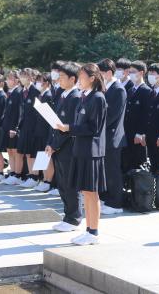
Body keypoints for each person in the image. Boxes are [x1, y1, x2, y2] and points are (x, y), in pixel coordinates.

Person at [55, 63, 108, 246]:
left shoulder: (98, 98)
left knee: (91, 193)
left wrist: (69, 128)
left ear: (92, 78)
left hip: (91, 152)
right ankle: (89, 230)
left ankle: (93, 232)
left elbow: (94, 128)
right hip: (81, 150)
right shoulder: (85, 97)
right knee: (86, 192)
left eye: (82, 76)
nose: (79, 80)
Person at [47, 62, 83, 232]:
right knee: (62, 183)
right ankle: (67, 215)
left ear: (73, 79)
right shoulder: (63, 94)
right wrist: (50, 144)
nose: (59, 80)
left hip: (68, 147)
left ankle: (74, 218)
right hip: (58, 146)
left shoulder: (76, 97)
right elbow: (56, 123)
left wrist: (55, 145)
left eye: (62, 77)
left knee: (70, 184)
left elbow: (69, 127)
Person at [96, 59, 127, 215]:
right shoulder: (105, 87)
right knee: (105, 170)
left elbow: (112, 115)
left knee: (113, 170)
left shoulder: (118, 89)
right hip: (103, 136)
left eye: (100, 73)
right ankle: (106, 198)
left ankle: (116, 203)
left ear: (108, 72)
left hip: (112, 137)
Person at [122, 60, 152, 173]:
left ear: (141, 73)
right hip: (127, 132)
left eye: (133, 72)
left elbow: (147, 115)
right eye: (129, 72)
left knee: (138, 164)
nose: (130, 74)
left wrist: (141, 132)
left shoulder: (146, 91)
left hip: (138, 134)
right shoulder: (130, 90)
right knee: (127, 162)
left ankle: (138, 190)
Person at [17, 68, 41, 188]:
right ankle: (30, 174)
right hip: (25, 126)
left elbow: (38, 111)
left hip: (34, 127)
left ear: (31, 77)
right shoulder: (23, 91)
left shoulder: (36, 91)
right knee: (26, 152)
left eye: (25, 76)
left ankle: (35, 176)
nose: (22, 78)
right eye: (21, 76)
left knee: (33, 153)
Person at [31, 72, 55, 192]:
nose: (38, 83)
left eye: (40, 81)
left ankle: (48, 180)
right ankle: (44, 178)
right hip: (39, 129)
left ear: (46, 83)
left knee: (47, 156)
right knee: (41, 155)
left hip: (46, 130)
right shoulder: (41, 95)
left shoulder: (49, 95)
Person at [2, 70, 24, 185]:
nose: (7, 81)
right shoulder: (11, 92)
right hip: (7, 125)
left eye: (10, 78)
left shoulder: (19, 92)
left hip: (14, 127)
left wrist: (15, 128)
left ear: (17, 80)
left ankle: (17, 174)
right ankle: (13, 171)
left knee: (16, 152)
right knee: (10, 151)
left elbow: (20, 112)